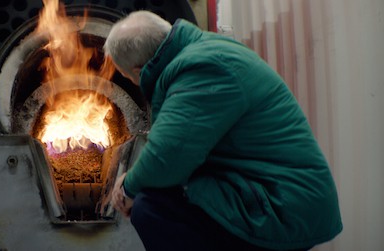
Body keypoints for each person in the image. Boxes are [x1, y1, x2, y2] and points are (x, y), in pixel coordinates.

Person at [104, 11, 342, 251]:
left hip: (281, 207)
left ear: (137, 71)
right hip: (268, 195)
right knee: (158, 197)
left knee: (150, 208)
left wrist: (127, 187)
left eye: (129, 78)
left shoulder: (202, 67)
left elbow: (167, 154)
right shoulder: (205, 52)